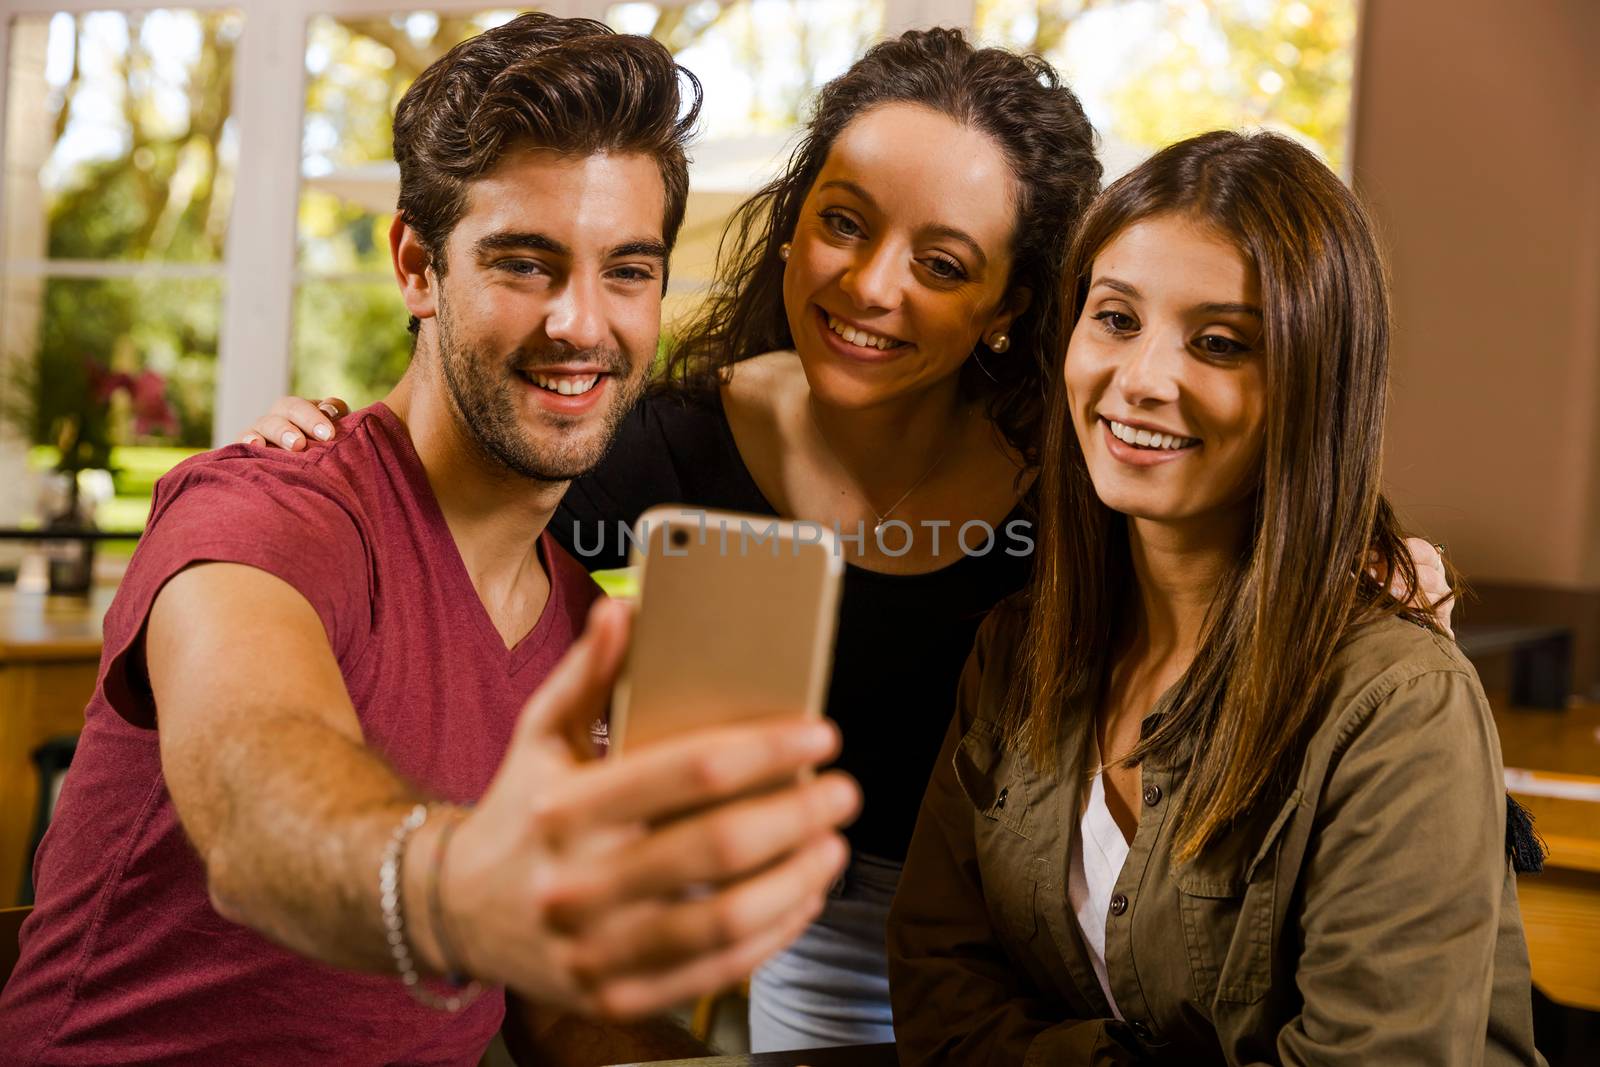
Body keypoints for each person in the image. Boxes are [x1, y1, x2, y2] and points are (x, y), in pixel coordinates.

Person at [245, 30, 1455, 1053]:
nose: (872, 287)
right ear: (790, 226)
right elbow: (457, 495)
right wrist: (333, 441)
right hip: (777, 963)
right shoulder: (660, 443)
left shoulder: (1079, 494)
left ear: (1010, 307)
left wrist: (1360, 568)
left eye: (941, 264)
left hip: (1039, 957)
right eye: (843, 223)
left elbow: (1242, 545)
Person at [0, 16, 861, 1066]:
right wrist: (453, 889)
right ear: (416, 265)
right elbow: (255, 792)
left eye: (628, 269)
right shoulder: (268, 515)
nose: (583, 323)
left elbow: (561, 1009)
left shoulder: (581, 625)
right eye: (526, 264)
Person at [886, 130, 1544, 1065]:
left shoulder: (1397, 704)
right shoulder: (1018, 651)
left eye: (1221, 343)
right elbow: (938, 997)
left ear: (1313, 386)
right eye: (1115, 318)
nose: (1144, 380)